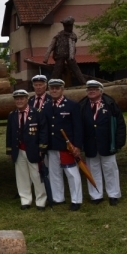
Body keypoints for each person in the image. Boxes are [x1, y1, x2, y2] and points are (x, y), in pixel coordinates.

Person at [79, 80, 126, 206]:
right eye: (89, 89)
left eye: (94, 89)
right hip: (90, 144)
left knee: (110, 169)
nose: (91, 91)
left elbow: (120, 124)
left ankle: (113, 194)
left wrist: (119, 142)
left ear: (101, 90)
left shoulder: (110, 104)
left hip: (108, 143)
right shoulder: (82, 105)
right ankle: (96, 195)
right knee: (93, 170)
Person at [41, 79, 84, 211]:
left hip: (67, 147)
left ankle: (76, 199)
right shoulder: (46, 106)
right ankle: (58, 197)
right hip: (52, 146)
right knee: (54, 173)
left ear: (62, 89)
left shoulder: (72, 105)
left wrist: (77, 145)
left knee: (71, 173)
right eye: (52, 88)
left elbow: (78, 127)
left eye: (57, 88)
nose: (54, 90)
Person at [5, 90, 49, 211]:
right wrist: (9, 151)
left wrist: (42, 147)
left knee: (36, 175)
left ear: (27, 99)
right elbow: (9, 134)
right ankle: (25, 200)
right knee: (22, 176)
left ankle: (41, 200)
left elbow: (43, 131)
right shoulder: (12, 115)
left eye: (22, 98)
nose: (19, 101)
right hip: (18, 150)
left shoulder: (37, 113)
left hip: (33, 150)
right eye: (17, 99)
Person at [43, 17, 86, 84]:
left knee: (76, 69)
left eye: (70, 26)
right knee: (57, 70)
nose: (69, 28)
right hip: (60, 55)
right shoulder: (59, 35)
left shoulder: (72, 36)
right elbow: (51, 46)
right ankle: (51, 85)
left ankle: (84, 83)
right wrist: (46, 57)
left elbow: (72, 46)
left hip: (70, 57)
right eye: (67, 26)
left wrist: (71, 56)